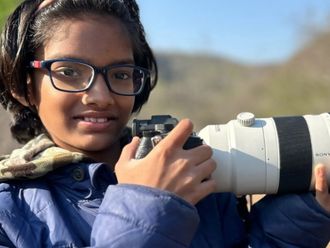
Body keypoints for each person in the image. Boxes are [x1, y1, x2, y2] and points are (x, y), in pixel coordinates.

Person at [0, 0, 329, 247]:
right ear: (24, 86)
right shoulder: (9, 212)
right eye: (69, 71)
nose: (99, 95)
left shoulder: (191, 173)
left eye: (120, 74)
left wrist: (308, 211)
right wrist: (145, 203)